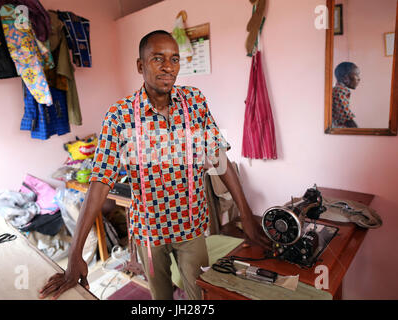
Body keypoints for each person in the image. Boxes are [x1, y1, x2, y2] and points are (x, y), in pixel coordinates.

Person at [39, 30, 271, 300]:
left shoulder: (194, 102)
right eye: (158, 59)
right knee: (160, 298)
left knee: (202, 296)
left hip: (191, 228)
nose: (168, 67)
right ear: (140, 65)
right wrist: (76, 254)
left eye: (174, 59)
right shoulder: (120, 115)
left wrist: (246, 214)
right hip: (149, 233)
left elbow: (220, 158)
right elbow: (100, 182)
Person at [332, 62, 361, 128]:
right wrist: (358, 131)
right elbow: (346, 119)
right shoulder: (340, 91)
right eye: (357, 75)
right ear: (345, 78)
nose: (359, 79)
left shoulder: (338, 90)